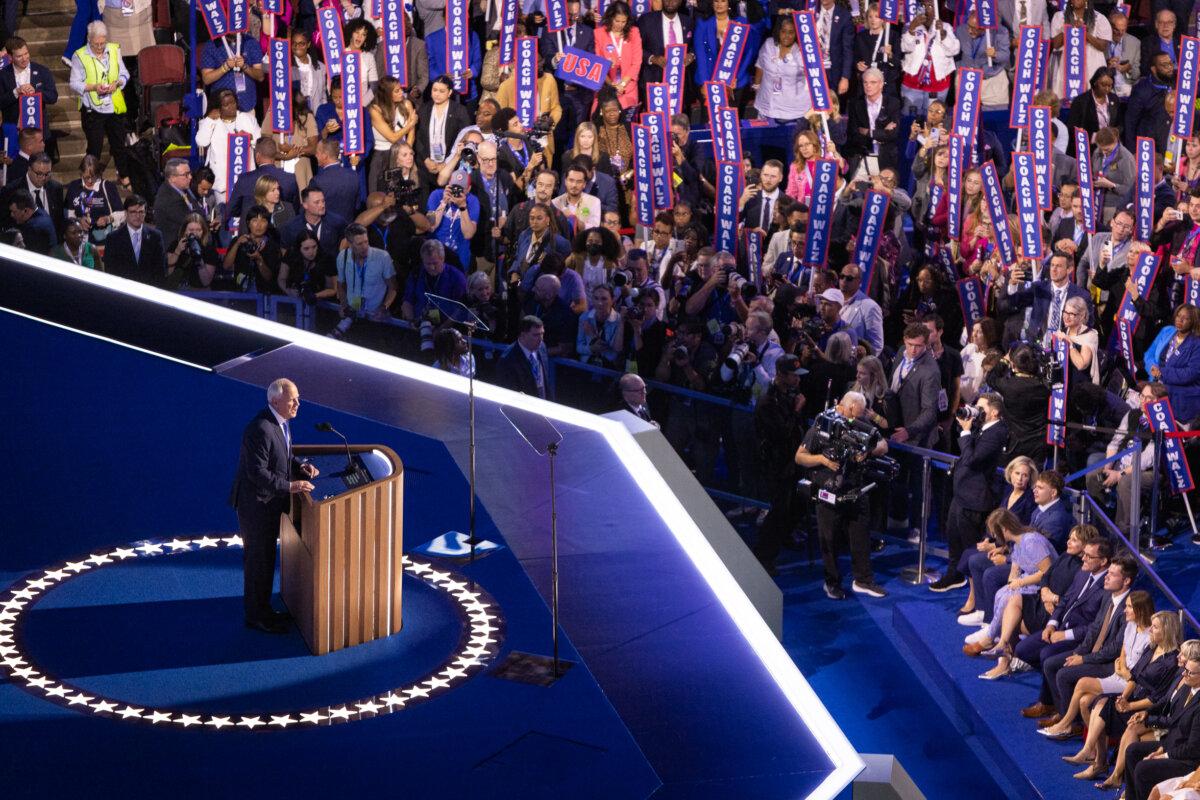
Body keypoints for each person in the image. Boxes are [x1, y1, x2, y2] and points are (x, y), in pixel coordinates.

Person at [228, 378, 317, 634]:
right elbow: (258, 473)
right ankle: (256, 616)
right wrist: (292, 486)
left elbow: (283, 455)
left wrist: (299, 466)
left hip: (268, 505)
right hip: (256, 507)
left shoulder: (280, 423)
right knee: (258, 561)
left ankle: (263, 609)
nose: (298, 404)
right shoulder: (260, 428)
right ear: (275, 401)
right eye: (293, 400)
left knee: (265, 560)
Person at [796, 391, 890, 600]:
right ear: (845, 407)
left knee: (861, 536)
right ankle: (832, 582)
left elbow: (883, 444)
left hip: (855, 489)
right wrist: (822, 459)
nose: (854, 420)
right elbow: (800, 457)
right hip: (828, 490)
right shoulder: (823, 424)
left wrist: (867, 451)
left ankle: (863, 580)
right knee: (829, 539)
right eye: (852, 415)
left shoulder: (858, 422)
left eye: (858, 416)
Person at [1033, 552, 1139, 728]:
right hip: (1093, 653)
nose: (1106, 577)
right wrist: (1079, 652)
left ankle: (1073, 725)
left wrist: (1083, 659)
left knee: (1064, 674)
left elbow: (1115, 649)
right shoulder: (1107, 596)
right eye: (1108, 573)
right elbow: (1095, 628)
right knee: (1051, 664)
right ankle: (1063, 712)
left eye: (1112, 574)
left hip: (1110, 663)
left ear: (1126, 581)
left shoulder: (1130, 607)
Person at [930, 393, 1009, 592]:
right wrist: (966, 425)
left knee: (971, 547)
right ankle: (954, 575)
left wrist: (966, 433)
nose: (977, 411)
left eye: (981, 408)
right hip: (960, 493)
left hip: (976, 498)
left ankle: (978, 590)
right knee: (953, 537)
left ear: (994, 412)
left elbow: (972, 459)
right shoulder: (981, 426)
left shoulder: (997, 432)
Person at [68, 21, 129, 170]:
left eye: (103, 43)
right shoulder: (79, 55)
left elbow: (124, 73)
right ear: (89, 40)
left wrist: (118, 83)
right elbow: (74, 83)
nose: (100, 47)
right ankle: (90, 177)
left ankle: (124, 176)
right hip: (92, 109)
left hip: (113, 106)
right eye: (96, 44)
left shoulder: (114, 50)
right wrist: (94, 87)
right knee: (95, 148)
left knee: (119, 145)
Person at [195, 89, 262, 202]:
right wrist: (210, 120)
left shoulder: (248, 119)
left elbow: (260, 143)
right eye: (226, 105)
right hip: (222, 183)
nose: (231, 107)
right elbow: (201, 142)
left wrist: (249, 138)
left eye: (233, 102)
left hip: (245, 178)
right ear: (218, 107)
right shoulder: (210, 121)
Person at [752, 15, 810, 125]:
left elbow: (813, 78)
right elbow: (760, 65)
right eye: (783, 31)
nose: (786, 36)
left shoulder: (803, 52)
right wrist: (756, 87)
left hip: (793, 110)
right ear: (778, 31)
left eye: (791, 32)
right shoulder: (769, 44)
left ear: (796, 33)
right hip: (767, 105)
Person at [847, 68, 903, 174]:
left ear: (881, 84)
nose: (868, 86)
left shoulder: (893, 103)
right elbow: (853, 134)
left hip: (885, 156)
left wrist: (868, 132)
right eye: (865, 82)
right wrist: (882, 133)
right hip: (861, 154)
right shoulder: (855, 104)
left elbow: (893, 134)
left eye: (873, 82)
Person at [101, 195, 165, 286]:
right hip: (123, 293)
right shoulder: (113, 239)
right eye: (133, 212)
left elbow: (160, 271)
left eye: (141, 212)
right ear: (126, 213)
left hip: (149, 293)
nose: (137, 216)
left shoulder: (156, 237)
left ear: (145, 213)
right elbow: (111, 272)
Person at [400, 239, 465, 322]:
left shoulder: (457, 277)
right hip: (419, 324)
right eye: (428, 264)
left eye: (435, 263)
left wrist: (438, 330)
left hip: (445, 328)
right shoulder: (416, 274)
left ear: (443, 259)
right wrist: (411, 321)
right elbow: (407, 300)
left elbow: (459, 310)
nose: (431, 267)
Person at [495, 315, 554, 400]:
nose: (541, 339)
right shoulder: (508, 360)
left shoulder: (541, 347)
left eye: (542, 334)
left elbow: (545, 382)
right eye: (536, 335)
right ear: (523, 335)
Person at [153, 159, 203, 253]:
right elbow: (192, 221)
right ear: (172, 178)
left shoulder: (183, 189)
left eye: (190, 173)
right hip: (174, 250)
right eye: (186, 175)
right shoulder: (168, 198)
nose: (190, 177)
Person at [163, 213, 221, 290]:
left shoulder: (209, 250)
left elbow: (206, 281)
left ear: (203, 231)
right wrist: (177, 251)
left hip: (199, 293)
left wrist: (199, 258)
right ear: (185, 231)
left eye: (198, 230)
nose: (195, 233)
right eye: (191, 230)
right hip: (177, 291)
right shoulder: (175, 245)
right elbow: (167, 272)